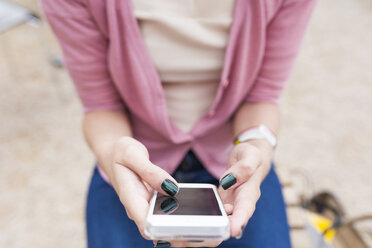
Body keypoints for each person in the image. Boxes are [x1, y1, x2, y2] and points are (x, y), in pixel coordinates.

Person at [42, 0, 316, 247]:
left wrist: (256, 148)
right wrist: (115, 159)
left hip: (232, 161)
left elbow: (262, 97)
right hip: (133, 163)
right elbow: (102, 106)